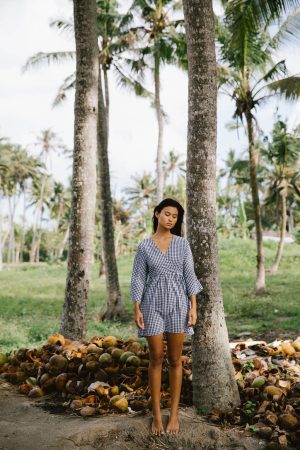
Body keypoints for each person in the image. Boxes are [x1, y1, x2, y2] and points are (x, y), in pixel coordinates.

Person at [130, 198, 203, 436]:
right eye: (167, 214)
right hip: (151, 306)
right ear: (157, 214)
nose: (171, 219)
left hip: (178, 305)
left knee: (175, 359)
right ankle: (156, 415)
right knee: (156, 358)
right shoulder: (144, 246)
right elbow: (138, 278)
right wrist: (137, 307)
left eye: (175, 216)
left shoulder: (182, 244)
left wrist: (193, 307)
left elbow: (189, 276)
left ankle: (173, 414)